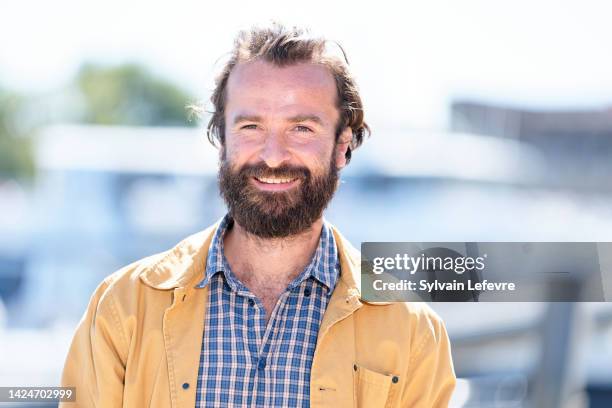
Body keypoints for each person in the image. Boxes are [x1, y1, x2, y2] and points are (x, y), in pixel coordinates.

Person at [61, 22, 456, 407]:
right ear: (221, 140)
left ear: (341, 145)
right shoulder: (123, 308)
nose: (272, 156)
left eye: (301, 129)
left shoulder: (413, 333)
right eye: (251, 126)